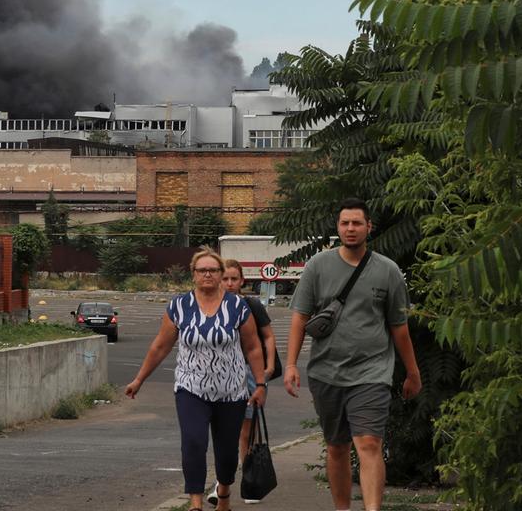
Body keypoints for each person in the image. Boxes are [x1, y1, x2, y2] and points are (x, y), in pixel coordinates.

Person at [283, 198, 421, 511]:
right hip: (326, 372)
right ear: (337, 227)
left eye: (357, 223)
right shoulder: (318, 267)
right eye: (345, 223)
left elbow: (399, 327)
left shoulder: (388, 271)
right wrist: (291, 364)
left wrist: (412, 372)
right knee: (337, 447)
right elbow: (299, 318)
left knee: (369, 443)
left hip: (372, 373)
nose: (350, 229)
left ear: (369, 227)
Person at [125, 249, 267, 511]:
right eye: (202, 270)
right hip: (191, 388)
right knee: (193, 441)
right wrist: (139, 379)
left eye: (213, 270)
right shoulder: (179, 306)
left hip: (232, 391)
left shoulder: (237, 307)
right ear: (193, 275)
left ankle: (223, 493)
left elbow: (253, 347)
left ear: (221, 275)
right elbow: (160, 346)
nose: (208, 275)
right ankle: (195, 503)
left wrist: (260, 384)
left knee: (226, 452)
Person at [220, 257, 277, 502]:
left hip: (250, 374)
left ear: (242, 280)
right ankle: (222, 482)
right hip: (220, 376)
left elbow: (268, 337)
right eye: (225, 278)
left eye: (234, 279)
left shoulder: (251, 305)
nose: (230, 283)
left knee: (245, 431)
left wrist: (270, 366)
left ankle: (248, 480)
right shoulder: (210, 306)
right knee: (223, 431)